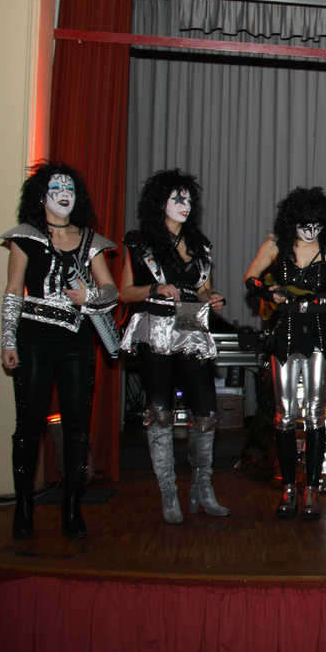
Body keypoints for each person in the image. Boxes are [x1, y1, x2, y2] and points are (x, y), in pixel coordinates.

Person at [1, 162, 118, 540]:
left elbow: (111, 290)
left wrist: (90, 296)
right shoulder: (26, 236)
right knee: (29, 424)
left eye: (70, 188)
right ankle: (23, 508)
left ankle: (72, 507)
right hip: (34, 338)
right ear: (42, 196)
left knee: (77, 426)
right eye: (56, 188)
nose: (64, 194)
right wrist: (8, 340)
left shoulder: (90, 241)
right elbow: (13, 290)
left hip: (76, 340)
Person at [119, 169, 230, 525]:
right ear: (160, 203)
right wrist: (154, 289)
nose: (185, 204)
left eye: (188, 199)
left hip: (190, 327)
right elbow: (124, 292)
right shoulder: (140, 243)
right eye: (177, 198)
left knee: (206, 412)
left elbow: (203, 290)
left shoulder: (201, 244)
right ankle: (169, 493)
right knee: (160, 411)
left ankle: (202, 489)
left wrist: (212, 298)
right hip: (155, 330)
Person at [244, 187, 326, 520]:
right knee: (285, 414)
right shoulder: (276, 245)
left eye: (317, 224)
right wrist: (268, 291)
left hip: (319, 332)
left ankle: (312, 489)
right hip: (286, 331)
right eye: (305, 224)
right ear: (293, 221)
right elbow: (250, 277)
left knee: (315, 413)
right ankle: (289, 487)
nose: (311, 231)